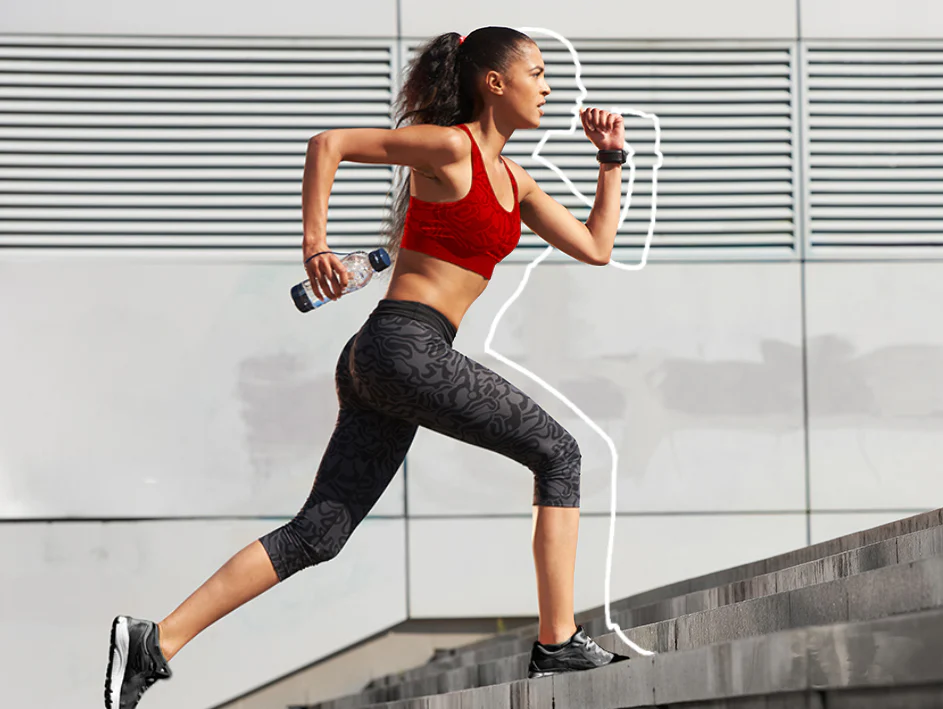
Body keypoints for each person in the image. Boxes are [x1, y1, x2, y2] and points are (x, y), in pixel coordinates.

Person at [105, 26, 631, 709]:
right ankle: (557, 643)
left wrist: (611, 158)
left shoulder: (518, 182)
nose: (549, 86)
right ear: (494, 83)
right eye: (537, 71)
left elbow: (595, 245)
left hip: (386, 359)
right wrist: (315, 244)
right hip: (405, 347)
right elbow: (330, 144)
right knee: (558, 451)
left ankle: (154, 640)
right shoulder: (450, 148)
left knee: (319, 532)